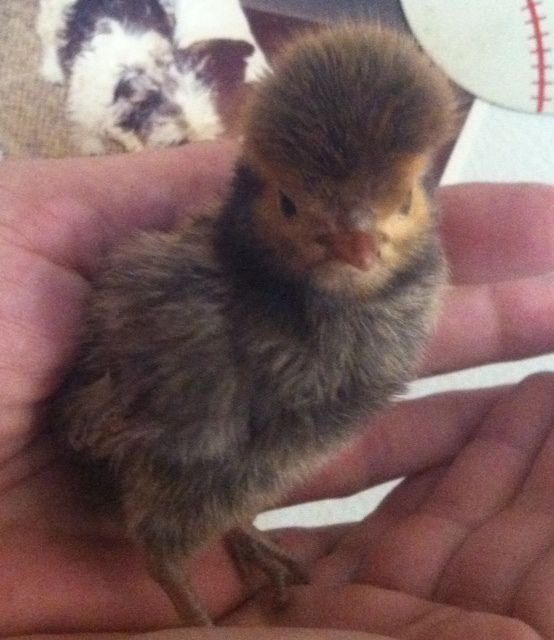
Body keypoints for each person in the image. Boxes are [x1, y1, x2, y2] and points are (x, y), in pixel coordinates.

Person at [0, 140, 552, 640]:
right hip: (132, 464)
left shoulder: (403, 286)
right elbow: (101, 422)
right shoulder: (218, 319)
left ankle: (228, 524)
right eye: (299, 207)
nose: (362, 247)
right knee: (181, 517)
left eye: (398, 203)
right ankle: (184, 589)